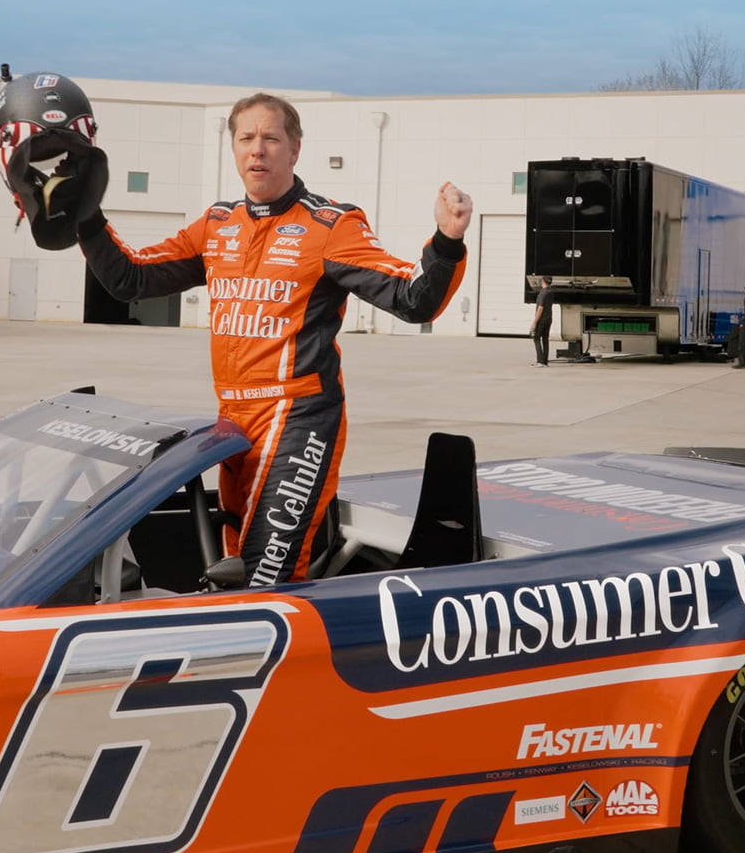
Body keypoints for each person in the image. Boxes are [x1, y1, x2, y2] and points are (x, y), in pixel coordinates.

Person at [58, 92, 470, 587]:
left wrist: (446, 241)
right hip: (232, 419)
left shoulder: (331, 225)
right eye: (246, 138)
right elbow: (131, 278)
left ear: (295, 149)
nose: (257, 149)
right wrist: (86, 214)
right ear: (233, 148)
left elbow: (412, 299)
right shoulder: (217, 224)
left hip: (298, 418)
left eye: (271, 138)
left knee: (264, 571)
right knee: (231, 564)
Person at [530, 277, 560, 366]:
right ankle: (545, 361)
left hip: (542, 319)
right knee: (545, 339)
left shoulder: (542, 293)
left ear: (542, 281)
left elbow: (540, 308)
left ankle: (540, 361)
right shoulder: (550, 292)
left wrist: (535, 322)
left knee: (536, 338)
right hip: (548, 319)